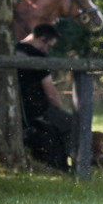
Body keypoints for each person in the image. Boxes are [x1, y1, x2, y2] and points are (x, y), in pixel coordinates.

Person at [16, 23, 74, 171]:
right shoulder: (37, 56)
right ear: (42, 39)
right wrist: (59, 110)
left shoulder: (14, 49)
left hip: (20, 109)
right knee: (73, 124)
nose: (48, 50)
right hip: (37, 110)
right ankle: (74, 166)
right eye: (49, 46)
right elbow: (51, 93)